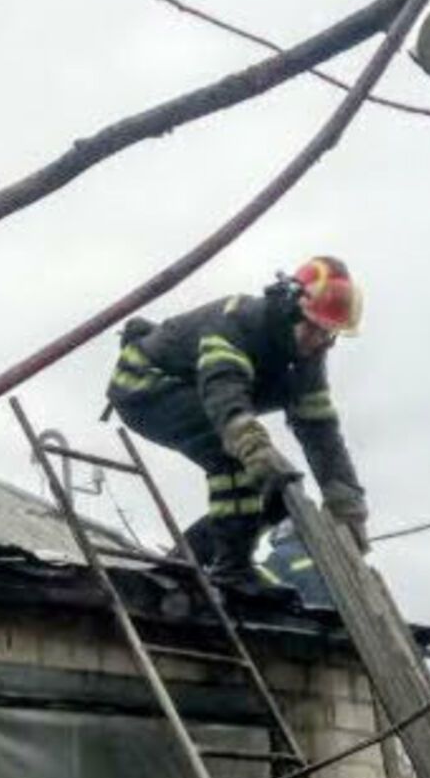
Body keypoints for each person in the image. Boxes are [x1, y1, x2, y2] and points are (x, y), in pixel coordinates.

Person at [106, 256, 369, 601]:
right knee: (238, 464)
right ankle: (232, 571)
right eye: (314, 327)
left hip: (205, 400)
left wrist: (346, 505)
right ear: (291, 309)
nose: (320, 341)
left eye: (329, 334)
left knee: (282, 495)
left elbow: (321, 431)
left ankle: (188, 561)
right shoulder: (240, 323)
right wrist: (254, 448)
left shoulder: (306, 361)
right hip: (143, 387)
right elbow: (223, 394)